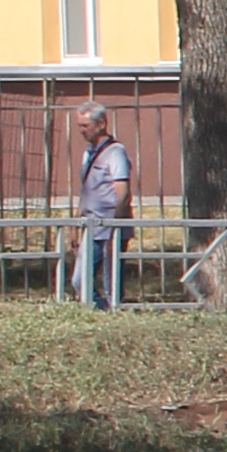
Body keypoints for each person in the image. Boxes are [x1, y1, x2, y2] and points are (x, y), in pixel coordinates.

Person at [67, 104, 133, 309]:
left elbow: (122, 192)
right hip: (91, 225)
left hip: (110, 227)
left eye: (86, 125)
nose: (81, 130)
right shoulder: (89, 153)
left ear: (101, 124)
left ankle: (113, 312)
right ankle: (102, 310)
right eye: (79, 125)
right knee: (79, 281)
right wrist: (75, 226)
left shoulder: (116, 152)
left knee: (111, 280)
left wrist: (117, 226)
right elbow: (86, 191)